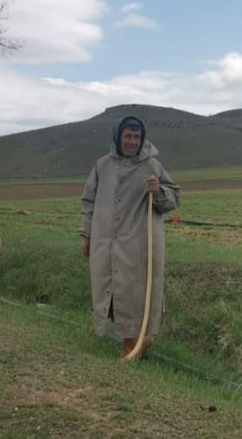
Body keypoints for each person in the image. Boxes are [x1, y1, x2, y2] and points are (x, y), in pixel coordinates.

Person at [80, 116, 180, 358]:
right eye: (128, 136)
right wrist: (86, 235)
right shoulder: (101, 165)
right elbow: (88, 202)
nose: (132, 142)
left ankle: (133, 345)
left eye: (136, 137)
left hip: (137, 243)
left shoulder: (152, 166)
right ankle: (133, 342)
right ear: (118, 137)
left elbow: (173, 199)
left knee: (134, 293)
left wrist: (159, 191)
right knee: (108, 289)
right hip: (104, 240)